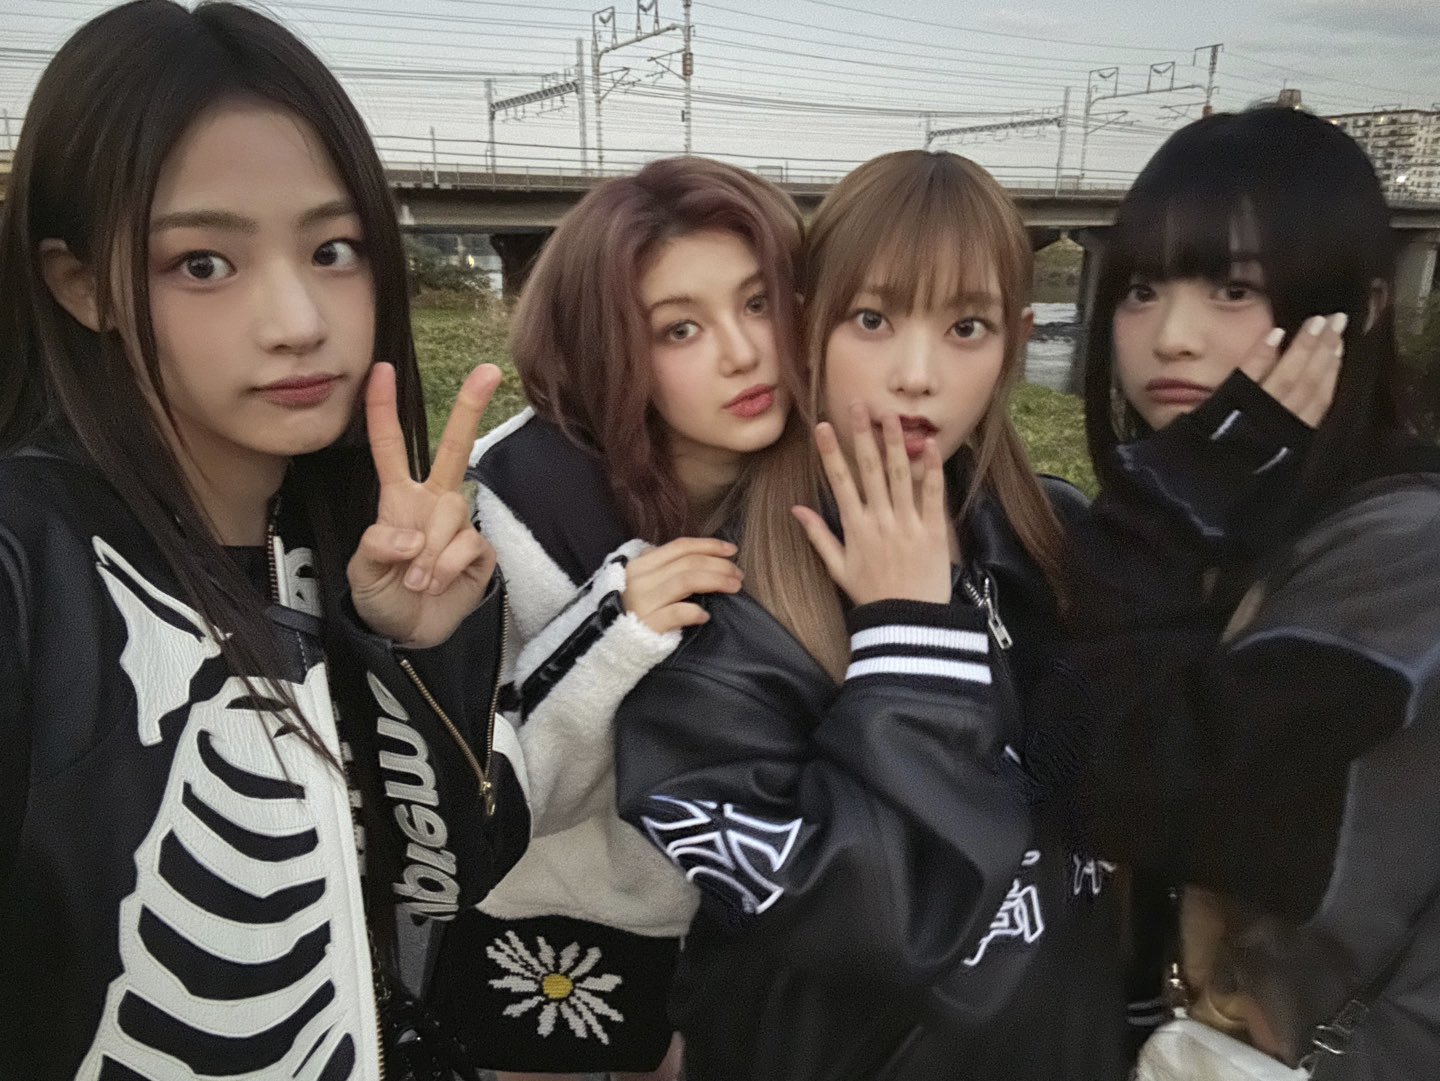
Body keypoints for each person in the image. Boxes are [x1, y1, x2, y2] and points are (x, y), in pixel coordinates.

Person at [0, 3, 529, 1078]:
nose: (298, 321)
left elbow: (438, 896)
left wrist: (412, 653)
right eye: (202, 263)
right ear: (82, 285)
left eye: (333, 250)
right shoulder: (25, 568)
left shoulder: (347, 549)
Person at [613, 149, 1128, 1081]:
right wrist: (908, 638)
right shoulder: (721, 605)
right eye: (873, 319)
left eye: (966, 326)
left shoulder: (1055, 539)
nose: (916, 375)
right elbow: (874, 928)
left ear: (1015, 341)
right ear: (807, 324)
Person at [1055, 106, 1440, 1078]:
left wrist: (1157, 510)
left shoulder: (1403, 555)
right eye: (1142, 290)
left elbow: (1116, 784)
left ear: (1366, 309)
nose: (1172, 337)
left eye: (1233, 290)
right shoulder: (1235, 519)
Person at [431, 157, 802, 1079]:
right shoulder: (527, 504)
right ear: (608, 350)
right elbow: (499, 801)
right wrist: (615, 631)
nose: (744, 352)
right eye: (680, 327)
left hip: (737, 919)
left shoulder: (819, 481)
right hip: (550, 919)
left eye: (760, 303)